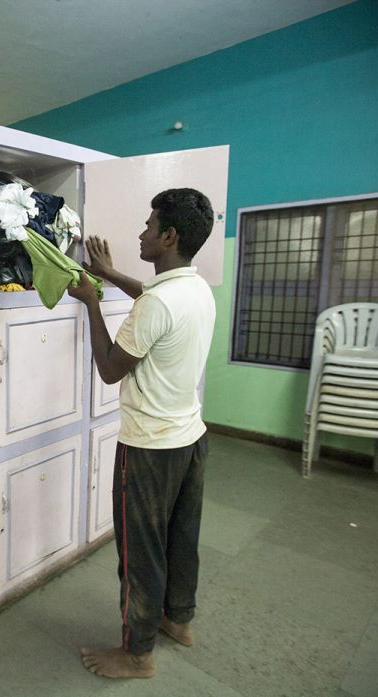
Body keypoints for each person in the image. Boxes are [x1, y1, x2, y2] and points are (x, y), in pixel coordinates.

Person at [67, 188, 216, 679]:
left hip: (149, 450)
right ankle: (180, 621)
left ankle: (136, 654)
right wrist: (108, 276)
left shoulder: (156, 304)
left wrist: (91, 301)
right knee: (180, 538)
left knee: (140, 552)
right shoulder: (195, 289)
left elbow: (111, 370)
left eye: (149, 226)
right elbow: (155, 303)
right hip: (190, 439)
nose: (141, 233)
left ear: (169, 236)